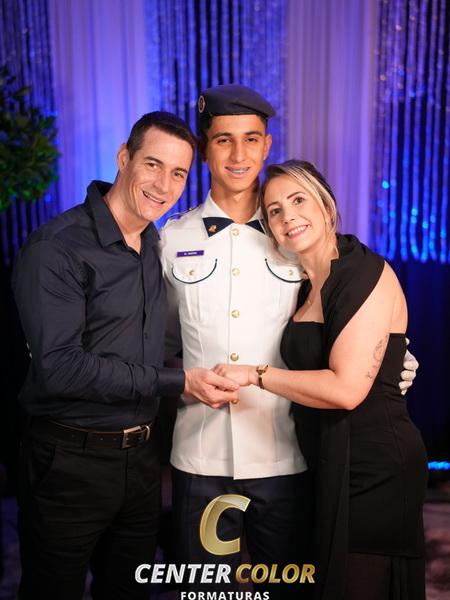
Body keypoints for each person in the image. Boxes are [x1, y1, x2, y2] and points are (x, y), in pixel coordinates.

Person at [160, 86, 418, 596]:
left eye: (251, 139)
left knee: (291, 590)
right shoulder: (171, 239)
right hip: (200, 453)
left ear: (267, 145)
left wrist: (396, 360)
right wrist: (178, 379)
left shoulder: (296, 236)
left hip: (286, 455)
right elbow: (160, 341)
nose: (239, 154)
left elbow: (343, 315)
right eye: (223, 140)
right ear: (205, 149)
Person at [12, 111, 239, 600]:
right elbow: (60, 368)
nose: (163, 185)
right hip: (68, 461)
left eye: (178, 173)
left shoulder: (159, 245)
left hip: (142, 462)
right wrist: (180, 382)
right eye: (152, 165)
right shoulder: (58, 248)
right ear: (123, 158)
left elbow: (173, 337)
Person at [213, 160, 428, 600]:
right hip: (323, 460)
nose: (288, 216)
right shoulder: (300, 285)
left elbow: (347, 390)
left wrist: (255, 375)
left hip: (373, 464)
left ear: (327, 207)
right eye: (274, 210)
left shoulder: (363, 271)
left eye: (298, 200)